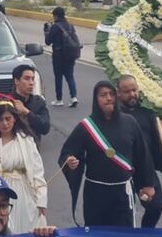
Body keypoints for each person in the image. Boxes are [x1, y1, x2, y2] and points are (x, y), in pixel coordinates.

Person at [59, 81, 156, 227]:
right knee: (96, 236)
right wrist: (70, 161)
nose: (108, 98)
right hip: (96, 193)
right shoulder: (86, 126)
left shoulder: (130, 122)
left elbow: (142, 155)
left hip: (123, 192)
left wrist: (147, 184)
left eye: (111, 94)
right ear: (96, 99)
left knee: (124, 236)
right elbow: (68, 151)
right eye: (103, 95)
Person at [0, 100, 47, 233]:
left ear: (15, 119)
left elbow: (37, 172)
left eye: (8, 119)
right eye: (0, 120)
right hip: (0, 195)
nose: (5, 123)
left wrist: (41, 201)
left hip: (25, 194)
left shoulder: (27, 141)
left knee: (27, 233)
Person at [117, 74, 162, 228]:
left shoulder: (147, 110)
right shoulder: (115, 114)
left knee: (155, 206)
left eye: (134, 90)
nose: (132, 94)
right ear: (119, 93)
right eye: (127, 91)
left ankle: (146, 233)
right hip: (123, 169)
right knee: (125, 212)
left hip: (145, 168)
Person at [44, 6, 79, 107]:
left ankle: (59, 100)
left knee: (58, 78)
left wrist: (46, 32)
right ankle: (74, 97)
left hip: (58, 56)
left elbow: (47, 42)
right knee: (70, 76)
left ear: (56, 16)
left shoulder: (55, 27)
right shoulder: (70, 26)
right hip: (70, 55)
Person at [8, 64, 50, 141]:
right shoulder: (7, 102)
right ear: (16, 81)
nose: (31, 83)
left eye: (32, 79)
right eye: (27, 79)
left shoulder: (38, 102)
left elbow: (45, 127)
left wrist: (27, 112)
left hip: (33, 148)